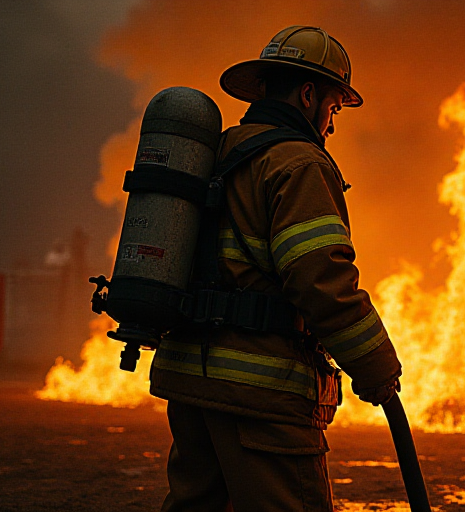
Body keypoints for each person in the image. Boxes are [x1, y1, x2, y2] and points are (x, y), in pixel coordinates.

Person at [148, 26, 402, 512]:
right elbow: (320, 281)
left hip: (191, 383)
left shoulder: (214, 155)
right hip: (260, 394)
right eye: (333, 107)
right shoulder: (298, 164)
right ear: (308, 95)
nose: (331, 125)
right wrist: (376, 367)